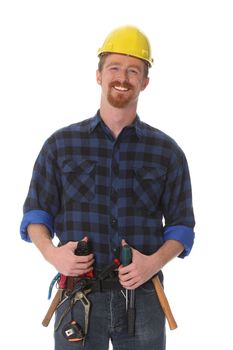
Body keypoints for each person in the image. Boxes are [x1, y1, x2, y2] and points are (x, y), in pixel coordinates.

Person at [20, 25, 195, 350]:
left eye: (133, 70)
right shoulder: (61, 145)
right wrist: (53, 254)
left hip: (143, 296)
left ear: (144, 81)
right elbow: (35, 215)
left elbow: (182, 228)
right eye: (114, 67)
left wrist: (153, 262)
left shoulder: (166, 152)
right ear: (99, 75)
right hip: (77, 295)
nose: (123, 77)